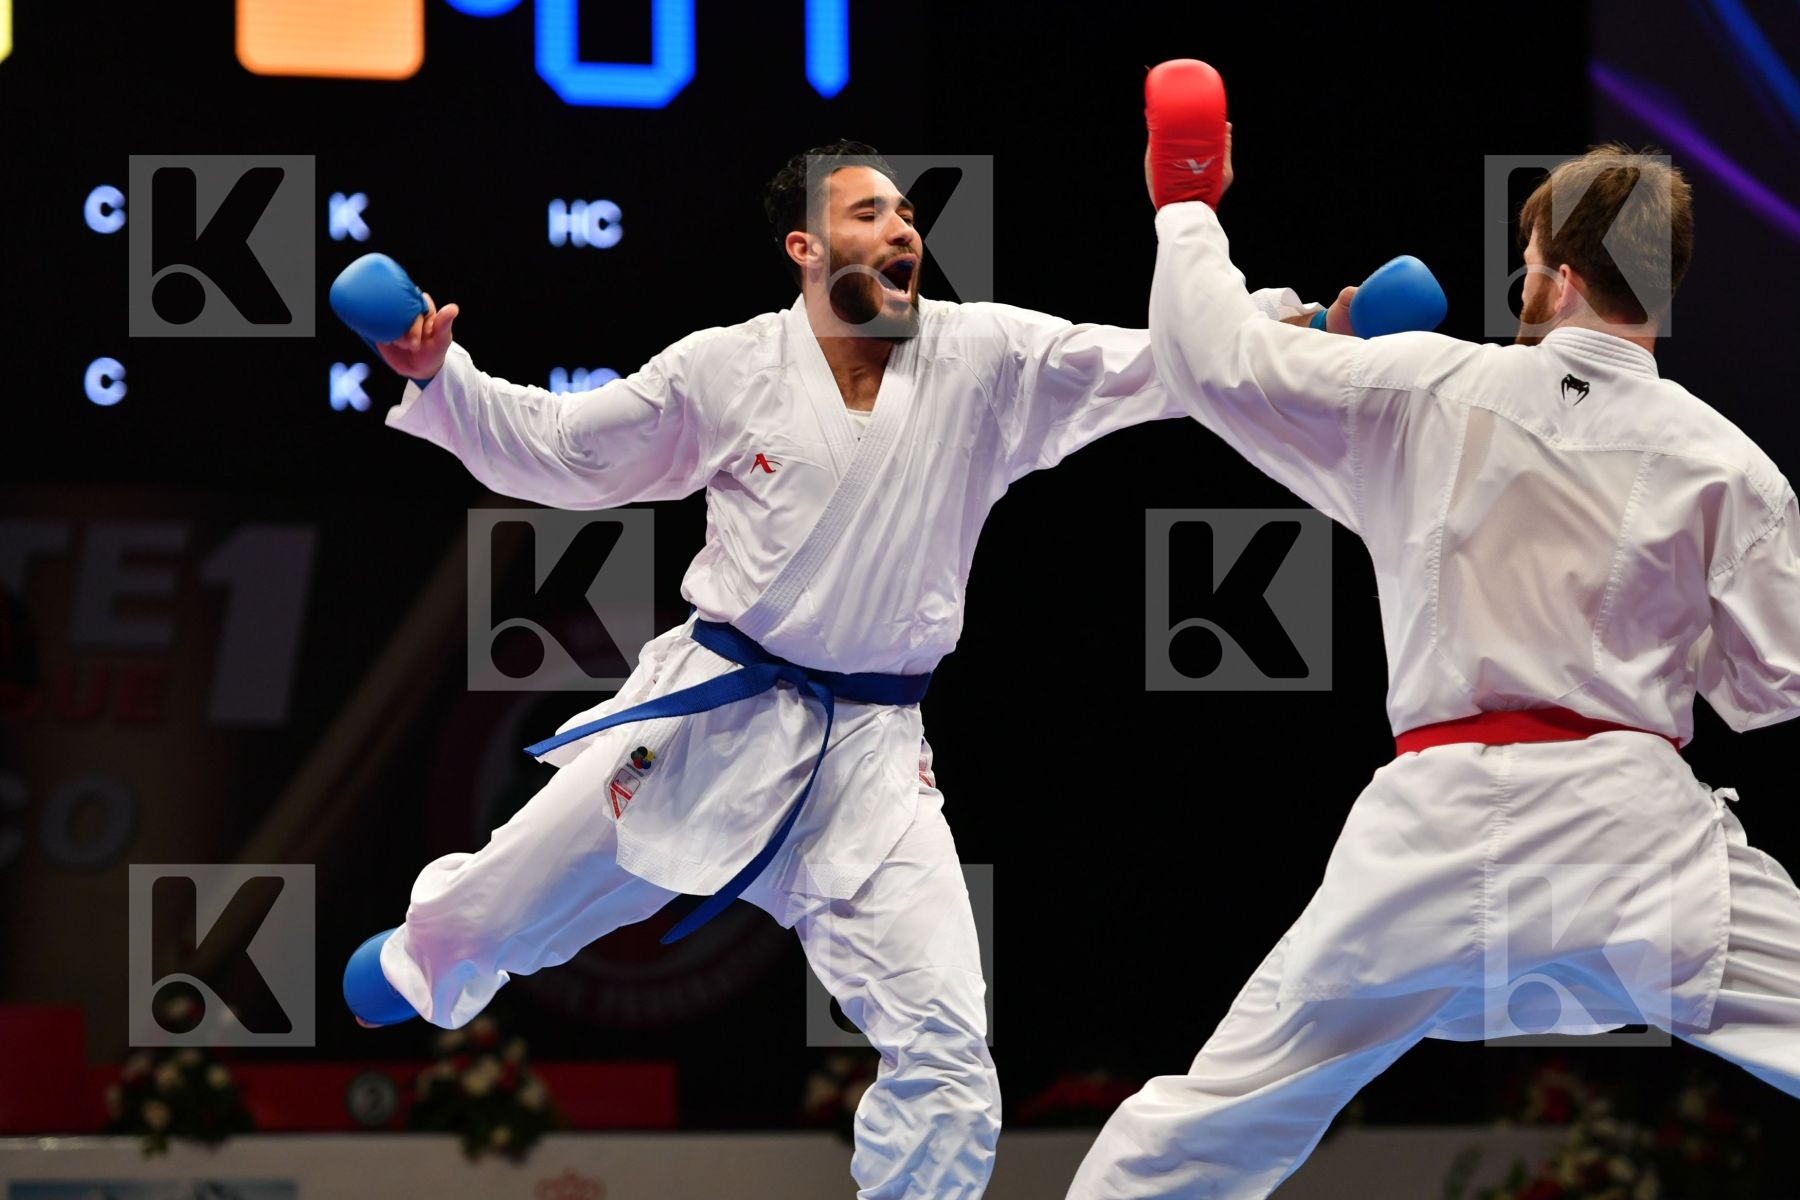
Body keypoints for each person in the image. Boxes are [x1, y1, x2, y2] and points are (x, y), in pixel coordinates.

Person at [346, 139, 1339, 1200]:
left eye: (906, 214)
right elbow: (564, 447)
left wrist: (1305, 333)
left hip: (873, 757)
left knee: (947, 1045)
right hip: (708, 720)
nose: (903, 229)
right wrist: (439, 377)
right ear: (805, 248)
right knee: (512, 893)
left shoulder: (985, 358)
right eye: (869, 214)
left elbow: (1153, 364)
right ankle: (425, 953)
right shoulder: (728, 368)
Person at [1066, 118, 1800, 1198]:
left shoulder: (1427, 386)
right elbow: (1772, 686)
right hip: (1634, 844)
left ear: (1556, 279)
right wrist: (1663, 616)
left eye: (1528, 263)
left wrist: (1186, 201)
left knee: (1210, 1123)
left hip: (1431, 845)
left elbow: (1212, 355)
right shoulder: (1729, 463)